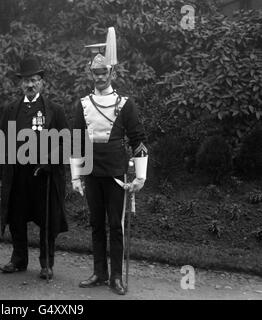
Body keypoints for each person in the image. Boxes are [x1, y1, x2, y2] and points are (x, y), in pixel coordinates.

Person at [71, 27, 148, 295]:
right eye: (96, 73)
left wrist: (140, 177)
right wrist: (75, 175)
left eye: (105, 72)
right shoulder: (82, 104)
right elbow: (76, 141)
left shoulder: (125, 104)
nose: (100, 77)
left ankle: (116, 276)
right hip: (92, 172)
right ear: (90, 74)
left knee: (115, 225)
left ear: (112, 73)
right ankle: (99, 272)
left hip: (116, 172)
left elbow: (138, 140)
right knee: (95, 224)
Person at [0, 56, 69, 280]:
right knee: (17, 218)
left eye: (35, 80)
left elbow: (64, 142)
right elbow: (3, 141)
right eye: (26, 81)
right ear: (20, 83)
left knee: (46, 219)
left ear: (42, 83)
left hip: (43, 176)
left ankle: (46, 263)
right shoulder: (11, 109)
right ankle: (19, 260)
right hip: (18, 174)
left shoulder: (54, 110)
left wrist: (49, 163)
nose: (30, 85)